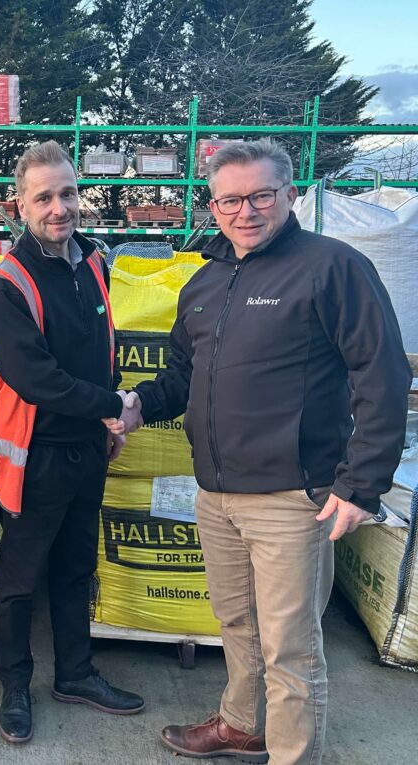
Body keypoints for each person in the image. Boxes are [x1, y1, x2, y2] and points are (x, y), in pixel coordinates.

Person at [116, 139, 410, 765]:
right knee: (238, 627)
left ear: (290, 194)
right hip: (217, 494)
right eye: (229, 199)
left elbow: (380, 376)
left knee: (291, 648)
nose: (244, 211)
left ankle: (293, 755)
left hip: (291, 497)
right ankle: (242, 727)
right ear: (213, 205)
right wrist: (138, 403)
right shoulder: (205, 281)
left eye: (259, 196)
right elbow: (180, 378)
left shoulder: (333, 267)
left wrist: (361, 486)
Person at [0, 140, 145, 745]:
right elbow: (33, 375)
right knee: (19, 579)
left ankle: (75, 674)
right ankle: (14, 685)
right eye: (43, 197)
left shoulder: (93, 261)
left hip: (87, 452)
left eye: (67, 193)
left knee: (75, 570)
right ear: (19, 206)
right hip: (35, 457)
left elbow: (101, 352)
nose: (58, 207)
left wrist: (108, 419)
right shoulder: (6, 284)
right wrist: (113, 409)